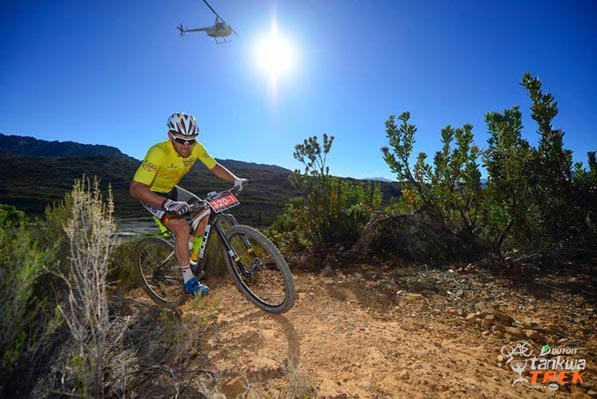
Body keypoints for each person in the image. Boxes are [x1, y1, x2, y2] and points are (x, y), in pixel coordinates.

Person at [130, 112, 248, 296]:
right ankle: (188, 280)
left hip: (172, 189)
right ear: (170, 136)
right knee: (182, 227)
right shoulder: (158, 152)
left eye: (191, 141)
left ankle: (192, 259)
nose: (186, 146)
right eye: (180, 140)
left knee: (205, 211)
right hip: (152, 194)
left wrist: (235, 180)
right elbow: (136, 188)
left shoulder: (196, 148)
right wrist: (167, 204)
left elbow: (215, 166)